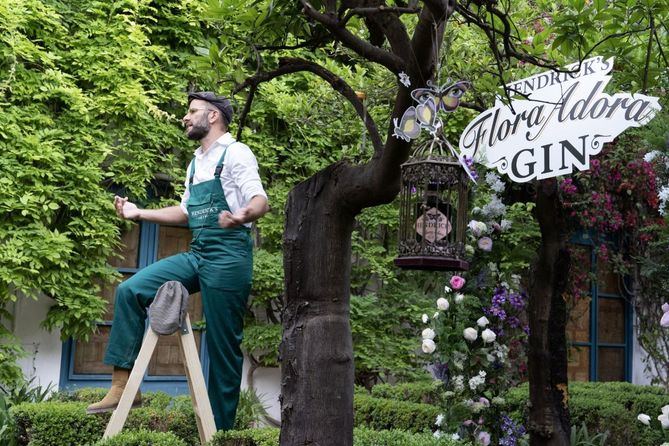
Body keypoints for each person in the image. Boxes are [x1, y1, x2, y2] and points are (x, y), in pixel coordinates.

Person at [86, 91, 269, 431]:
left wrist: (241, 215)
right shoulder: (196, 162)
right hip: (200, 253)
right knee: (131, 290)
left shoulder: (235, 152)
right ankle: (123, 385)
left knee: (221, 347)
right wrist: (138, 212)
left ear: (212, 116)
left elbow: (260, 200)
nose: (185, 117)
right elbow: (185, 212)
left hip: (230, 258)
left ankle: (222, 432)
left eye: (191, 111)